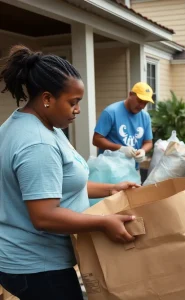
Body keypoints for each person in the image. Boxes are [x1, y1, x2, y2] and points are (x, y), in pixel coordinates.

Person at [0, 45, 139, 300]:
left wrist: (111, 189)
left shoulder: (37, 125)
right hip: (38, 267)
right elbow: (44, 216)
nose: (78, 110)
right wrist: (103, 223)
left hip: (30, 260)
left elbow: (59, 185)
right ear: (47, 98)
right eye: (72, 102)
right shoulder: (37, 143)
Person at [93, 82, 154, 167]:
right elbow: (96, 140)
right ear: (130, 94)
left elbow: (148, 142)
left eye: (145, 103)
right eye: (140, 101)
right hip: (109, 169)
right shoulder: (111, 112)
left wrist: (143, 151)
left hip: (133, 169)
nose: (142, 106)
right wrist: (120, 148)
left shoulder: (145, 117)